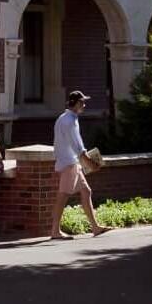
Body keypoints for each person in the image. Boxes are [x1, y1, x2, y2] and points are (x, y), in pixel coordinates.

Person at [51, 90, 109, 239]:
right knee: (63, 196)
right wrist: (91, 163)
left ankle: (95, 227)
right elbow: (77, 146)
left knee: (86, 191)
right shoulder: (70, 121)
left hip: (71, 162)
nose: (84, 104)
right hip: (69, 163)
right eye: (82, 102)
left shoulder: (64, 118)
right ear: (74, 103)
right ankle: (55, 231)